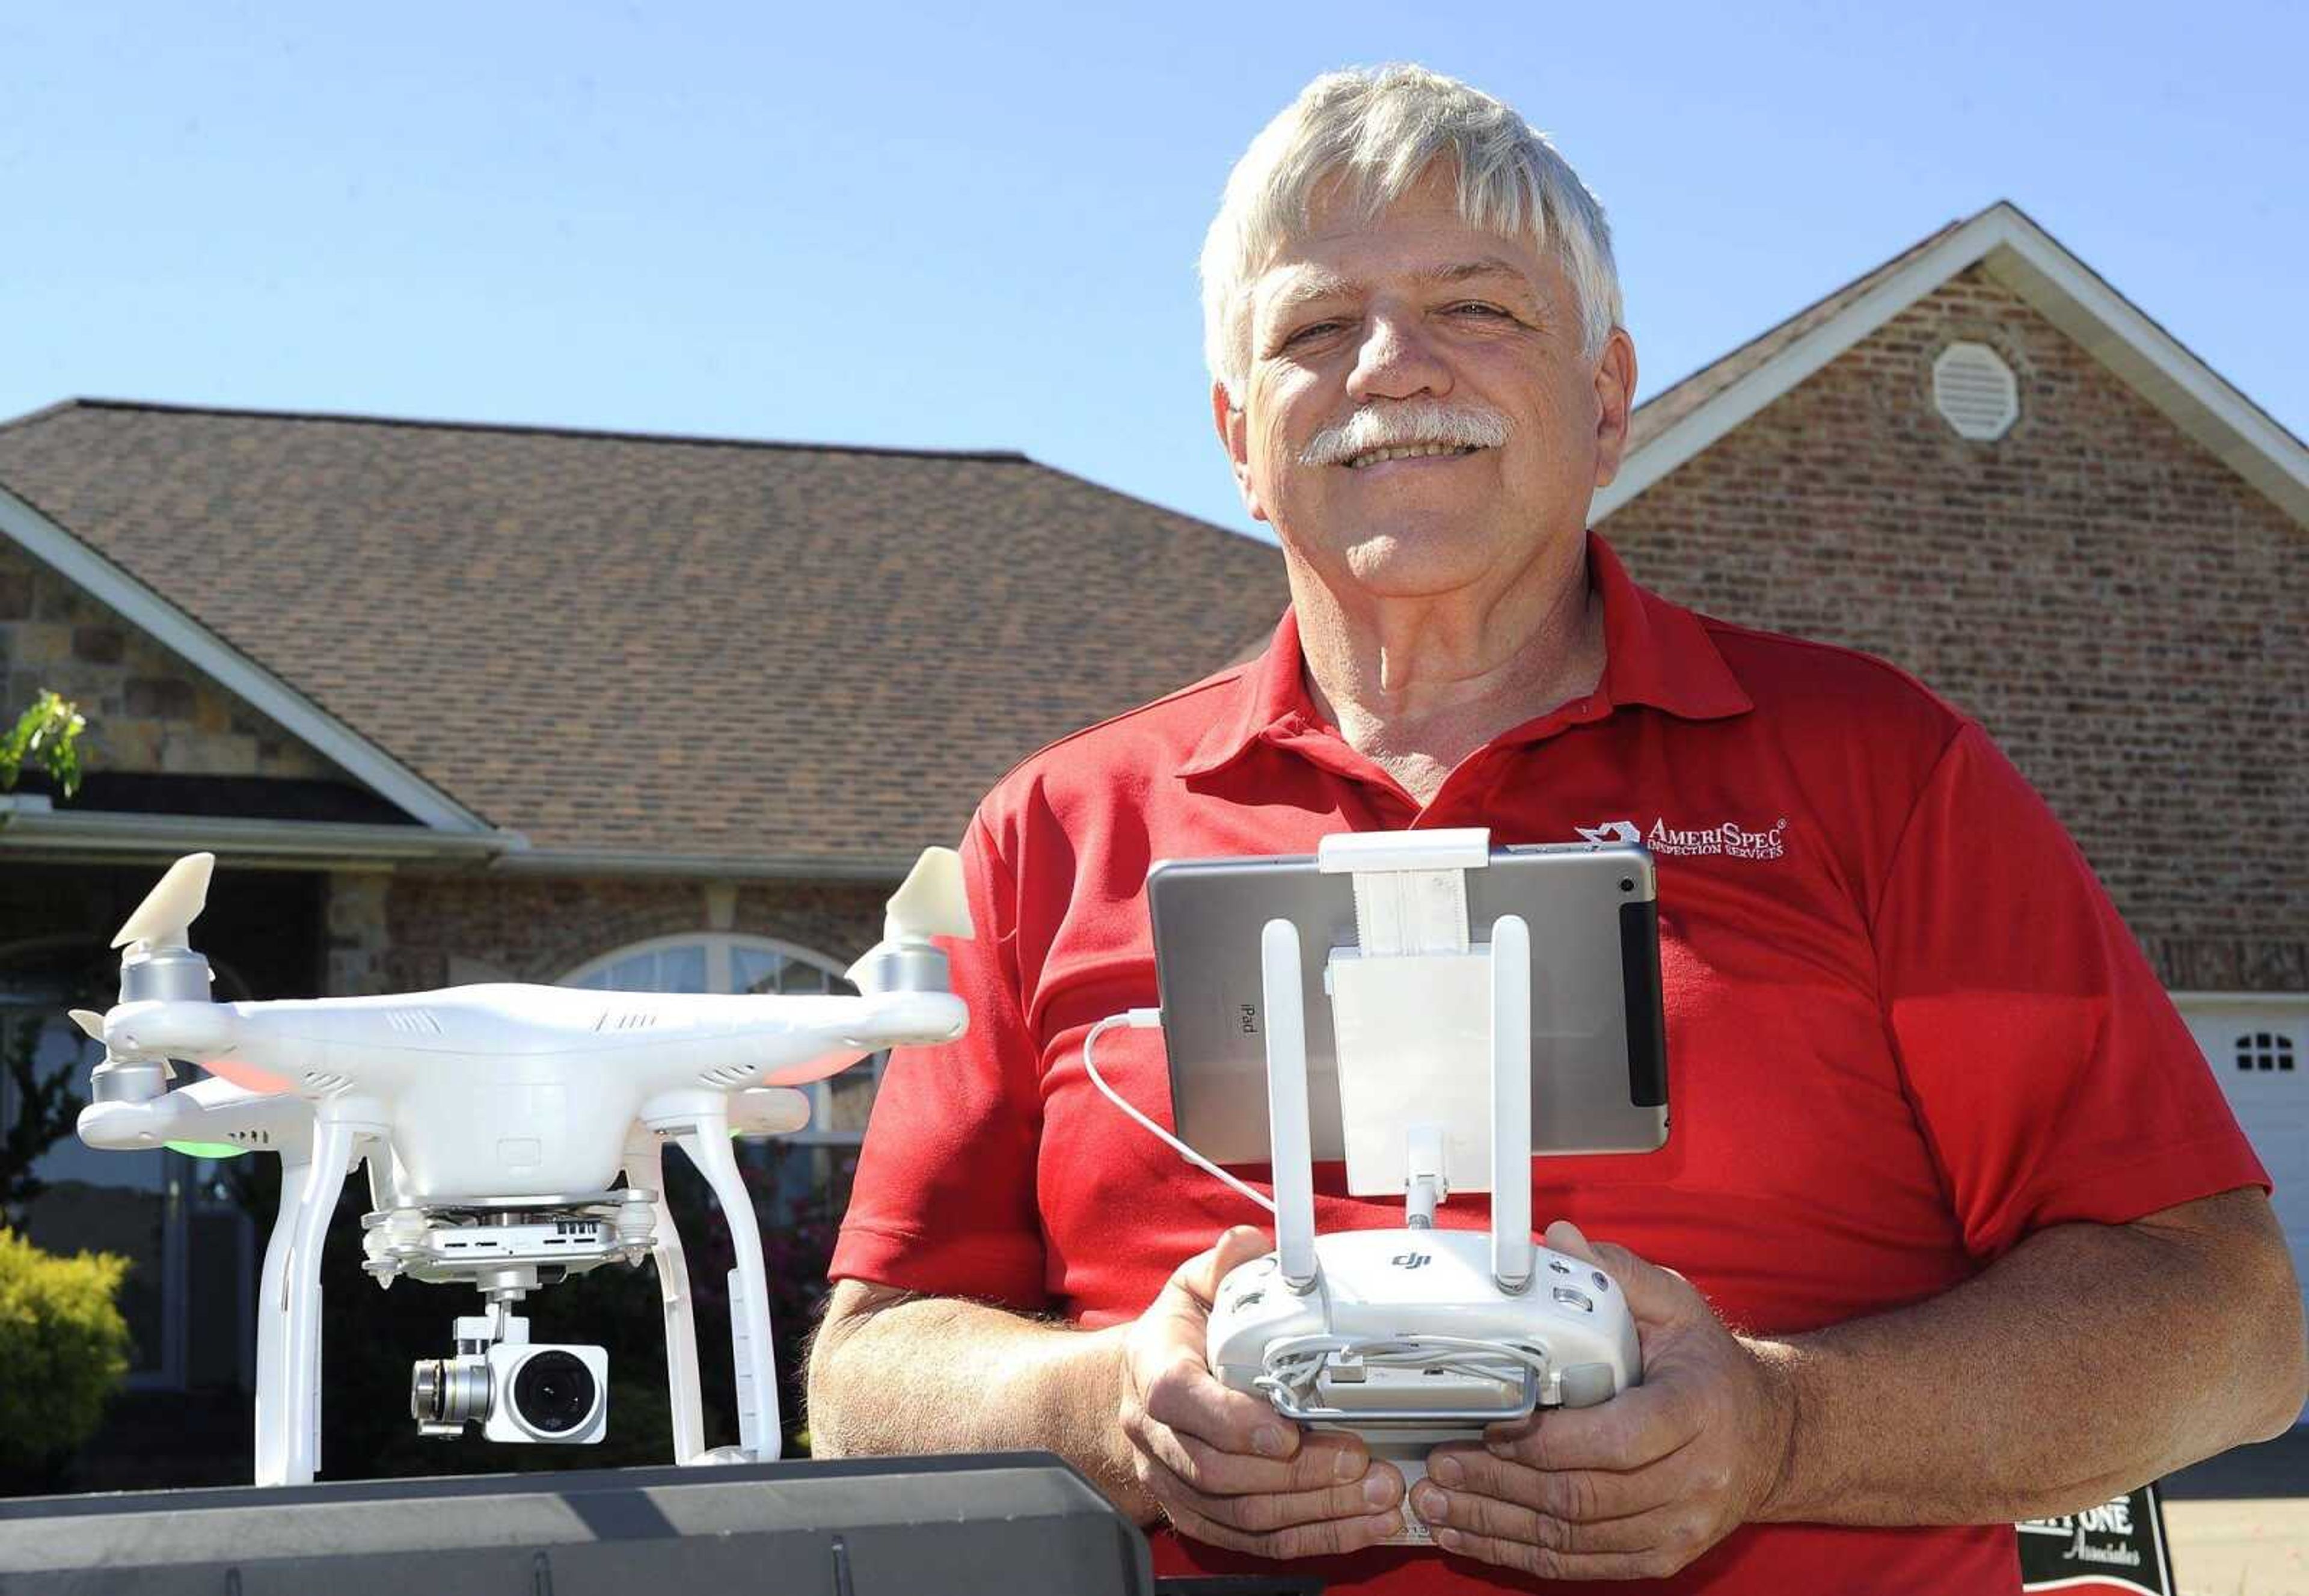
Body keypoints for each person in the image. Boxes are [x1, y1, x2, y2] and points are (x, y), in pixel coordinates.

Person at [807, 65, 2306, 1593]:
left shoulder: (1877, 775)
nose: (1392, 365)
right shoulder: (1054, 833)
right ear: (1238, 438)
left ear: (1605, 402)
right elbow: (867, 1380)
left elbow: (2230, 1328)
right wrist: (1111, 1407)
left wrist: (1785, 1430)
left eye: (1479, 309)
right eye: (1318, 329)